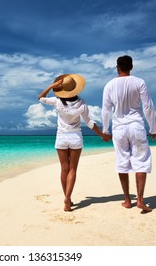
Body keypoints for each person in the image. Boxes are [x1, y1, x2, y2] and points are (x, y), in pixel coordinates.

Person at [38, 74, 111, 212]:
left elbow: (40, 98)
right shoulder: (81, 103)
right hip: (75, 137)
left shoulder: (57, 102)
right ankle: (68, 197)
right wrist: (102, 135)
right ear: (75, 89)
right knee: (72, 170)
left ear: (62, 89)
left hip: (61, 137)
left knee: (64, 169)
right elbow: (89, 122)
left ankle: (67, 198)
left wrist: (52, 86)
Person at [102, 55, 156, 213]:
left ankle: (127, 201)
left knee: (122, 162)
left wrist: (105, 130)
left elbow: (106, 110)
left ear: (117, 68)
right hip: (136, 126)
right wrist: (153, 128)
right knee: (141, 162)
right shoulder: (139, 82)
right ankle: (140, 200)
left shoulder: (110, 85)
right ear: (131, 67)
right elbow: (148, 106)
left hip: (118, 128)